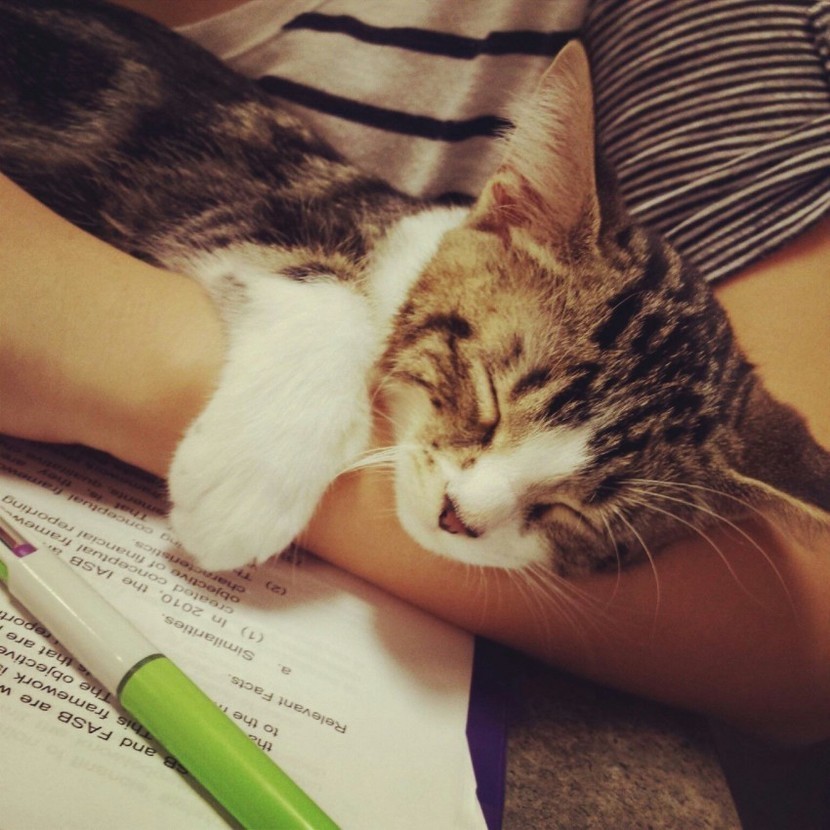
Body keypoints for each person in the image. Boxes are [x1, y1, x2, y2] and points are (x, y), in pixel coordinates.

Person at [1, 0, 829, 745]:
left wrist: (119, 358)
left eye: (565, 513)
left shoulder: (697, 25)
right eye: (487, 403)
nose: (469, 509)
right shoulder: (419, 262)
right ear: (507, 211)